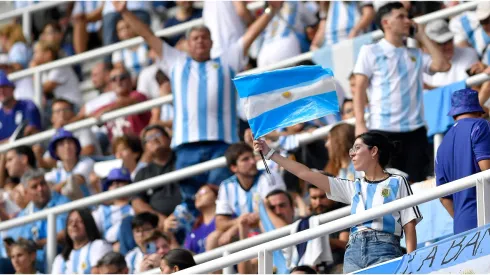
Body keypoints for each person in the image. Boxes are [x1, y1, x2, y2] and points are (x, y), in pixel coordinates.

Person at [112, 0, 283, 216]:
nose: (200, 41)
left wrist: (271, 10)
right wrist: (125, 12)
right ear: (187, 43)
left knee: (220, 198)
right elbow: (148, 36)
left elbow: (250, 35)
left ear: (212, 43)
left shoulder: (228, 59)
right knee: (192, 202)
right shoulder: (175, 61)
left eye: (204, 37)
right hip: (185, 148)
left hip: (222, 144)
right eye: (195, 38)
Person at [254, 131, 422, 273]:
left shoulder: (397, 182)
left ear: (374, 151)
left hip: (385, 247)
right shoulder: (352, 187)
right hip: (353, 252)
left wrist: (411, 261)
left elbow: (409, 224)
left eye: (357, 148)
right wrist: (270, 154)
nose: (351, 154)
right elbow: (304, 173)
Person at [353, 2, 451, 183]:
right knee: (388, 188)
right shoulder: (370, 50)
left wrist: (422, 36)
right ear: (385, 22)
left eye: (408, 16)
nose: (408, 21)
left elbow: (443, 65)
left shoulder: (415, 53)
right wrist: (359, 123)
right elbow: (359, 87)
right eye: (401, 17)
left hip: (416, 131)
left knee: (418, 187)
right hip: (383, 129)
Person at [436, 88, 490, 235]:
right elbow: (487, 170)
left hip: (461, 227)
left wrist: (461, 218)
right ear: (479, 112)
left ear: (454, 115)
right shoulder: (481, 125)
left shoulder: (442, 145)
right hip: (486, 215)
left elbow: (443, 198)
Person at [215, 143, 286, 246]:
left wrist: (236, 226)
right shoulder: (226, 186)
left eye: (252, 157)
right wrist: (240, 221)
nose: (253, 162)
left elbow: (274, 211)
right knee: (214, 237)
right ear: (234, 167)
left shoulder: (269, 175)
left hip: (270, 225)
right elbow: (220, 224)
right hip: (246, 230)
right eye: (245, 159)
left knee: (263, 223)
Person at [8, 168, 70, 269]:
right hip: (31, 262)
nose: (40, 189)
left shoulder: (63, 202)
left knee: (50, 247)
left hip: (58, 256)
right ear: (26, 192)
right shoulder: (25, 214)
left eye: (43, 184)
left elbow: (64, 235)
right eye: (34, 187)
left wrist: (38, 244)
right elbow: (14, 241)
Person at [51, 208, 113, 274]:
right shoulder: (60, 259)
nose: (74, 225)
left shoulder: (99, 246)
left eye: (79, 221)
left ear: (88, 224)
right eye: (70, 222)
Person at [422, 19, 479, 89]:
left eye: (449, 40)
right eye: (441, 43)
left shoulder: (469, 54)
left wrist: (429, 87)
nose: (448, 46)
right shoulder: (424, 63)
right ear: (430, 45)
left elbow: (461, 92)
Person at [44, 128, 95, 200]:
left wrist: (56, 188)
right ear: (56, 152)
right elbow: (47, 190)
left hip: (88, 209)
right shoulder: (56, 172)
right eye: (61, 144)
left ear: (76, 147)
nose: (67, 146)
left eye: (70, 142)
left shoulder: (87, 162)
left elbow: (76, 181)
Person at [92, 168, 134, 244]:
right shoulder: (101, 210)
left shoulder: (135, 207)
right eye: (111, 183)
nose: (115, 185)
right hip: (108, 249)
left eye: (120, 181)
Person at [311, 1, 375, 49]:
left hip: (356, 42)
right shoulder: (327, 3)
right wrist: (314, 44)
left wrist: (355, 31)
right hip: (332, 47)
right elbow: (323, 24)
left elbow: (369, 13)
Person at [0, 71, 42, 142]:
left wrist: (6, 143)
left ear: (12, 88)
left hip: (26, 148)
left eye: (4, 87)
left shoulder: (27, 105)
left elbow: (32, 130)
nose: (1, 91)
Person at [183, 184, 219, 254]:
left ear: (216, 197)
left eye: (203, 192)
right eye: (196, 195)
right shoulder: (194, 228)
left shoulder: (226, 219)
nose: (198, 196)